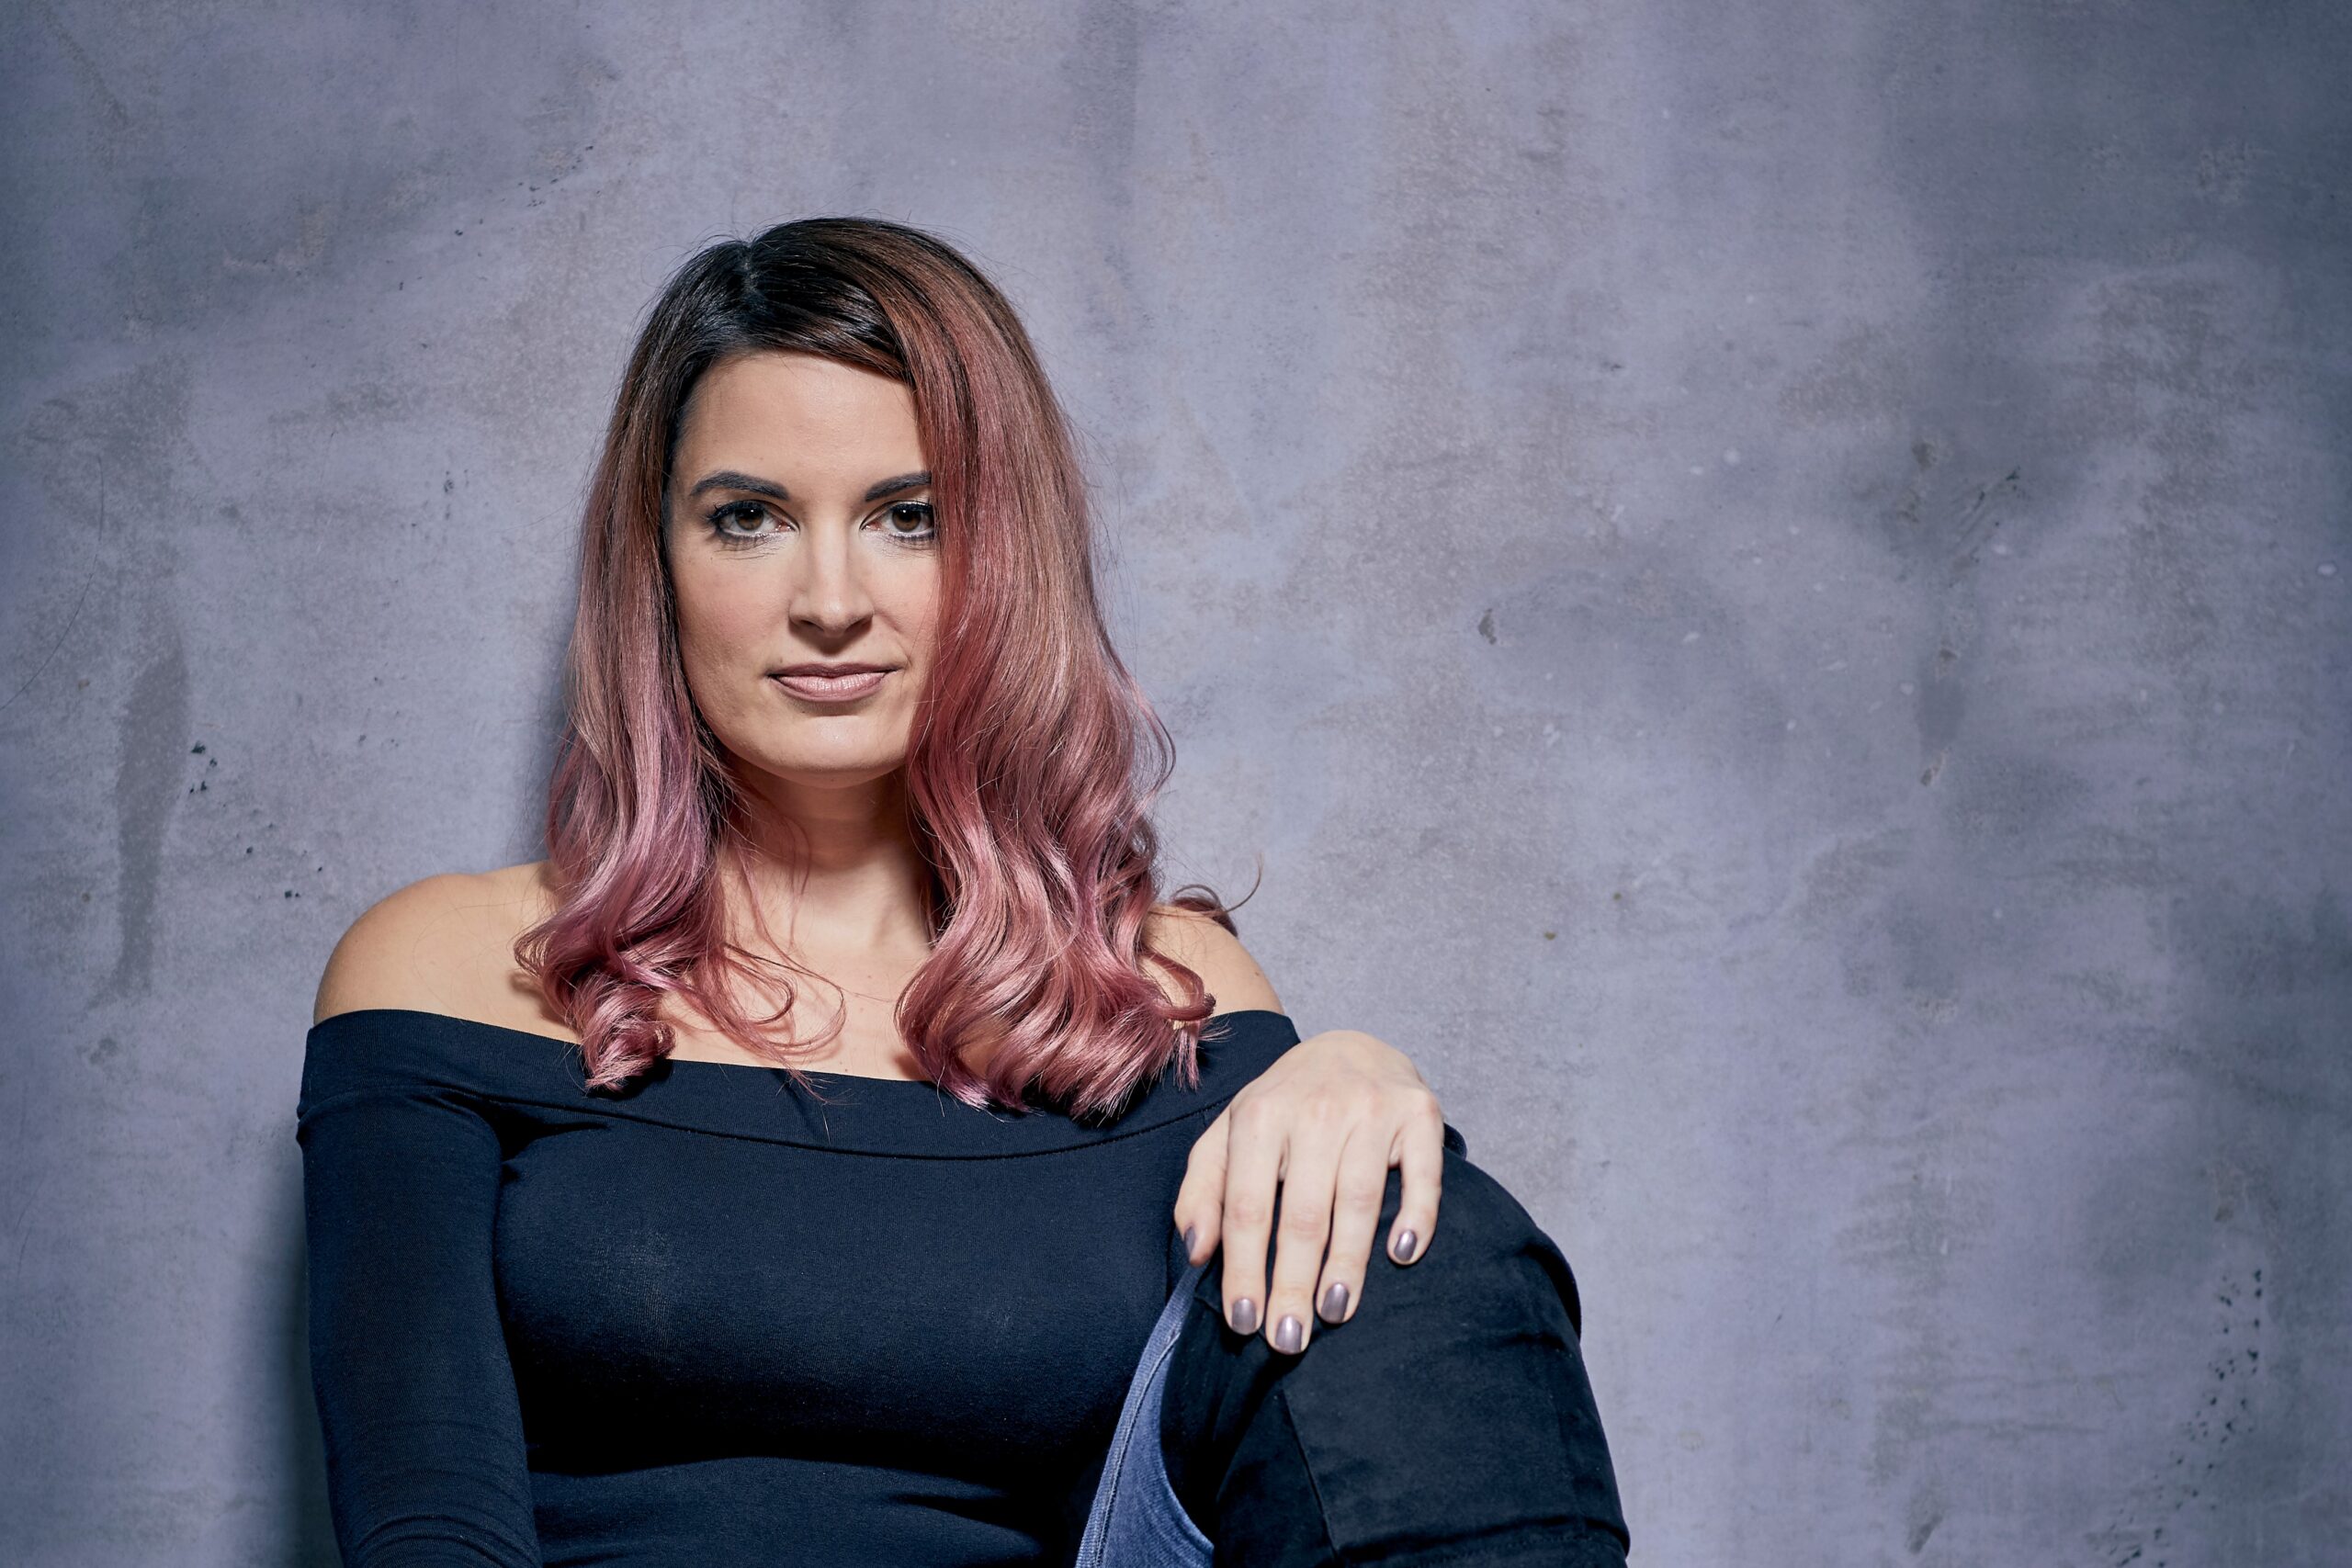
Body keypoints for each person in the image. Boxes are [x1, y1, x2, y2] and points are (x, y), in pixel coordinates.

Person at [297, 216, 1628, 1566]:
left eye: (908, 519)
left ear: (1000, 559)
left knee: (1412, 1218)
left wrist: (1346, 1072)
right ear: (659, 568)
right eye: (747, 519)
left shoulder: (1156, 994)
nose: (830, 600)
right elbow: (429, 1527)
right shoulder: (451, 968)